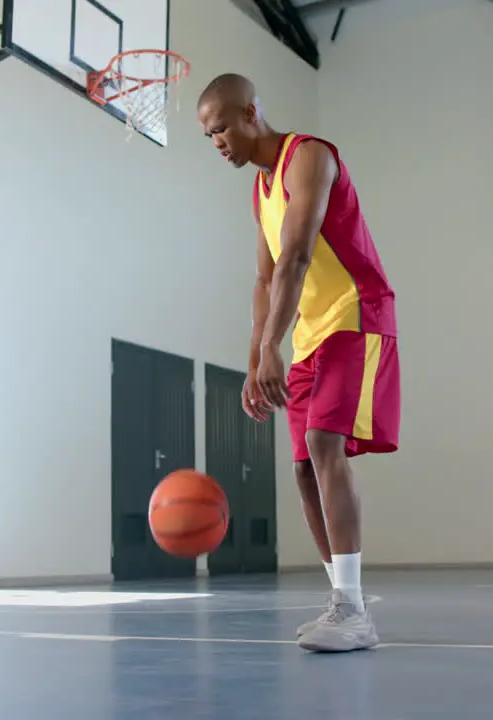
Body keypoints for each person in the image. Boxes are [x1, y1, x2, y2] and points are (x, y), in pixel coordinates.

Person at [196, 73, 401, 653]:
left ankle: (355, 613)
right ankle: (343, 601)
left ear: (251, 112)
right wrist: (253, 356)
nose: (218, 144)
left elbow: (298, 256)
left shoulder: (308, 156)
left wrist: (270, 348)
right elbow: (264, 279)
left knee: (323, 446)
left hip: (355, 314)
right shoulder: (260, 189)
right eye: (209, 138)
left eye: (222, 130)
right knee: (302, 468)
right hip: (307, 332)